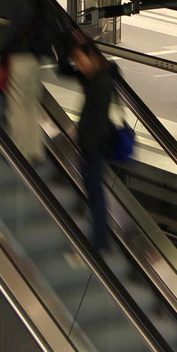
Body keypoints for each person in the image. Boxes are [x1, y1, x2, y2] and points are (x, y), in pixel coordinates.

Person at [0, 0, 58, 163]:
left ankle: (19, 151)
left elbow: (15, 33)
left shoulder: (26, 1)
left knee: (17, 106)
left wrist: (3, 51)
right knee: (31, 104)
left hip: (22, 58)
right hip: (37, 59)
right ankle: (35, 150)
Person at [71, 40, 115, 251]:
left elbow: (97, 120)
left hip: (93, 149)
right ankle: (100, 239)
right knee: (94, 193)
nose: (79, 65)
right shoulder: (95, 79)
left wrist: (88, 147)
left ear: (94, 57)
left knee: (95, 194)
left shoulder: (101, 82)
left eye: (81, 59)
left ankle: (100, 241)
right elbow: (63, 69)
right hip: (90, 147)